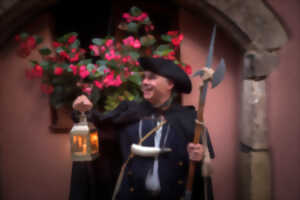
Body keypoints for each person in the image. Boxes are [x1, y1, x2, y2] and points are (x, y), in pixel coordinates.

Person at [72, 57, 215, 200]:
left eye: (152, 78)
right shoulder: (129, 112)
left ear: (170, 84)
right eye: (144, 78)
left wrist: (201, 156)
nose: (144, 82)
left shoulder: (188, 118)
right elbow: (101, 125)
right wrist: (84, 111)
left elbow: (201, 165)